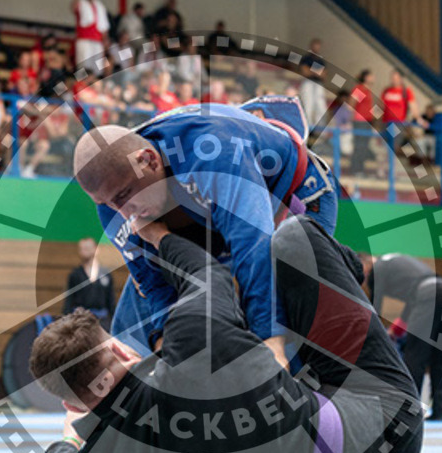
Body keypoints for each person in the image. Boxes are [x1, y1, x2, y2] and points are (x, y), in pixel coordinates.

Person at [24, 215, 423, 453]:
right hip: (388, 435)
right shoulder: (195, 337)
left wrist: (69, 444)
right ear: (119, 347)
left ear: (68, 403)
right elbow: (207, 275)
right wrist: (158, 234)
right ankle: (349, 270)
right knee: (294, 237)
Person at [72, 98, 340, 364]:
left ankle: (307, 387)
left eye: (124, 195)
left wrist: (270, 340)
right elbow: (153, 285)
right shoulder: (112, 202)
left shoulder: (213, 152)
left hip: (295, 189)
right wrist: (166, 348)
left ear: (149, 161)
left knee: (293, 286)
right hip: (202, 209)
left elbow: (253, 246)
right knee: (147, 284)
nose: (122, 212)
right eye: (106, 203)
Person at [367, 253, 442, 421]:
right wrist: (396, 329)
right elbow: (411, 302)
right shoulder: (397, 264)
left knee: (415, 356)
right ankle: (440, 411)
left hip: (426, 295)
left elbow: (375, 303)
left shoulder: (379, 267)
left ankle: (409, 413)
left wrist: (370, 329)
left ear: (366, 264)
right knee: (439, 356)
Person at [63, 237, 115, 325]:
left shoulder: (105, 274)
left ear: (96, 249)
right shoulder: (75, 274)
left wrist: (113, 320)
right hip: (80, 320)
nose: (84, 251)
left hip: (102, 320)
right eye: (81, 249)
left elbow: (111, 300)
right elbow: (69, 300)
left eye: (87, 248)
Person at [71, 0, 109, 74]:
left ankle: (94, 85)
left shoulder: (99, 6)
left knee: (97, 67)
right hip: (84, 39)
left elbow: (104, 25)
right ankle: (80, 85)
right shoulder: (81, 3)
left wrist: (105, 40)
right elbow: (73, 7)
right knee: (83, 65)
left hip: (98, 40)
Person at [349, 69, 377, 176]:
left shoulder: (367, 90)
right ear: (366, 77)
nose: (373, 78)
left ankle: (359, 169)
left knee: (364, 146)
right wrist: (351, 119)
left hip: (367, 122)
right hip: (360, 121)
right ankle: (356, 169)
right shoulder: (360, 88)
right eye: (371, 76)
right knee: (359, 146)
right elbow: (352, 103)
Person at [299, 39, 327, 133]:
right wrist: (316, 72)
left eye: (318, 46)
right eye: (315, 45)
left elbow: (323, 75)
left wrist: (312, 71)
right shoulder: (306, 59)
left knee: (321, 107)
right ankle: (308, 130)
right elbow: (305, 72)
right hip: (308, 83)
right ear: (311, 46)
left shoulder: (321, 61)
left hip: (318, 84)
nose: (317, 48)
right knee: (308, 106)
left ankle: (320, 131)